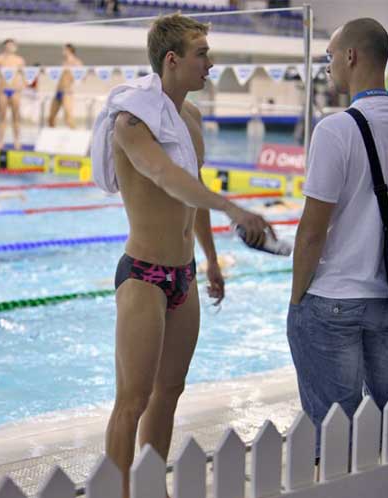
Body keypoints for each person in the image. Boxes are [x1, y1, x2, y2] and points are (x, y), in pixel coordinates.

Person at [91, 13, 272, 498]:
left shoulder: (190, 119)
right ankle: (118, 492)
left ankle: (150, 487)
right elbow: (166, 177)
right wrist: (234, 207)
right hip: (144, 277)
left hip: (184, 275)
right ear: (173, 61)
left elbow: (192, 191)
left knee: (169, 393)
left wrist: (210, 259)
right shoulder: (130, 121)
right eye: (202, 54)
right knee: (132, 400)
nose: (210, 63)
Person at [287, 18, 388, 459]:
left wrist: (296, 303)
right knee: (385, 434)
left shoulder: (335, 130)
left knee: (334, 442)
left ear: (351, 56)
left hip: (333, 302)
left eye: (331, 56)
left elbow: (312, 232)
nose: (328, 66)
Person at [0, 39, 26, 150]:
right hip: (3, 91)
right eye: (9, 45)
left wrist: (23, 86)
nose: (11, 47)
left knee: (16, 117)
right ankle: (1, 141)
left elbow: (26, 76)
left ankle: (17, 141)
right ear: (5, 46)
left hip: (15, 91)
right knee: (2, 117)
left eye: (13, 45)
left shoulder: (19, 60)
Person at [48, 44, 83, 129]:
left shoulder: (77, 62)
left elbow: (81, 77)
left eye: (64, 49)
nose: (63, 51)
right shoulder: (63, 62)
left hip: (67, 92)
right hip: (58, 91)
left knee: (68, 117)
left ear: (69, 50)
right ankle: (52, 136)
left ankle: (75, 135)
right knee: (51, 118)